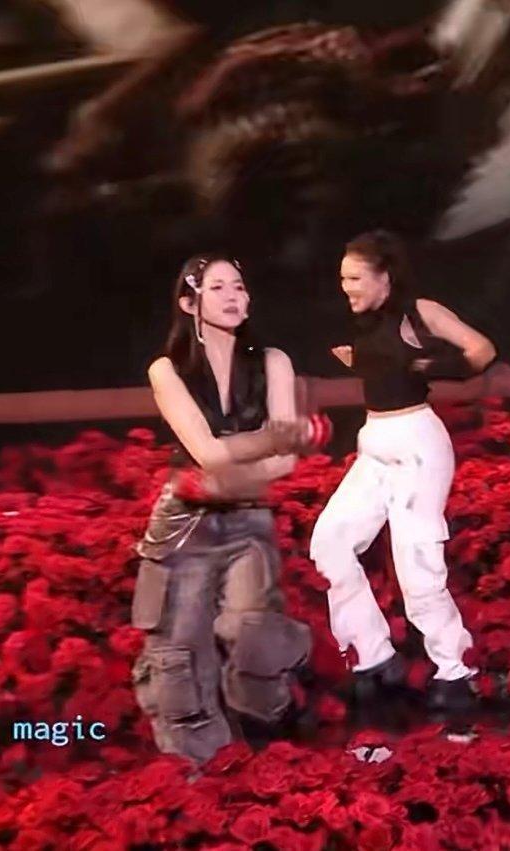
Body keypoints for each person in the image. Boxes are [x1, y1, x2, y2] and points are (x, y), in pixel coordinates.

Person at [131, 253, 328, 764]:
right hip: (184, 524)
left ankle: (267, 743)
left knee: (254, 635)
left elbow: (283, 461)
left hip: (246, 515)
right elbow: (209, 453)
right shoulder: (167, 370)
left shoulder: (272, 361)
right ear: (188, 303)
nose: (232, 296)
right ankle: (202, 777)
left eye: (238, 286)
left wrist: (237, 470)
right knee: (181, 657)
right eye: (217, 288)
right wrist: (271, 439)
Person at [309, 229, 495, 713]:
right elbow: (382, 365)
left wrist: (425, 365)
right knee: (330, 542)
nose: (346, 287)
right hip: (375, 441)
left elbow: (480, 351)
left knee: (417, 566)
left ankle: (456, 671)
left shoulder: (419, 312)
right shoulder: (364, 323)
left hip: (417, 444)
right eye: (342, 278)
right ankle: (373, 657)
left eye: (354, 278)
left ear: (383, 277)